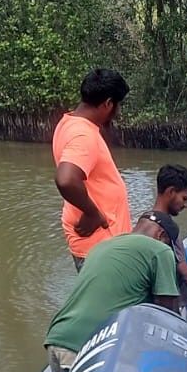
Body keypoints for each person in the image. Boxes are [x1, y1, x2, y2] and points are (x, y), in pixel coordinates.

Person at [44, 233, 179, 372]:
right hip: (87, 350)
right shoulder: (161, 251)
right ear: (162, 236)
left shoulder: (102, 246)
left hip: (57, 339)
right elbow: (167, 319)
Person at [52, 68, 132, 271]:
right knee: (111, 302)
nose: (118, 111)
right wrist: (93, 213)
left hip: (99, 244)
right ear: (107, 104)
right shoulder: (83, 135)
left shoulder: (68, 123)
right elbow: (66, 179)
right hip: (101, 247)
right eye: (118, 105)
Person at [140, 164, 187, 320]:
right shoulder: (166, 228)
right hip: (176, 306)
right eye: (184, 198)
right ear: (171, 192)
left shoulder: (144, 221)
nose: (186, 205)